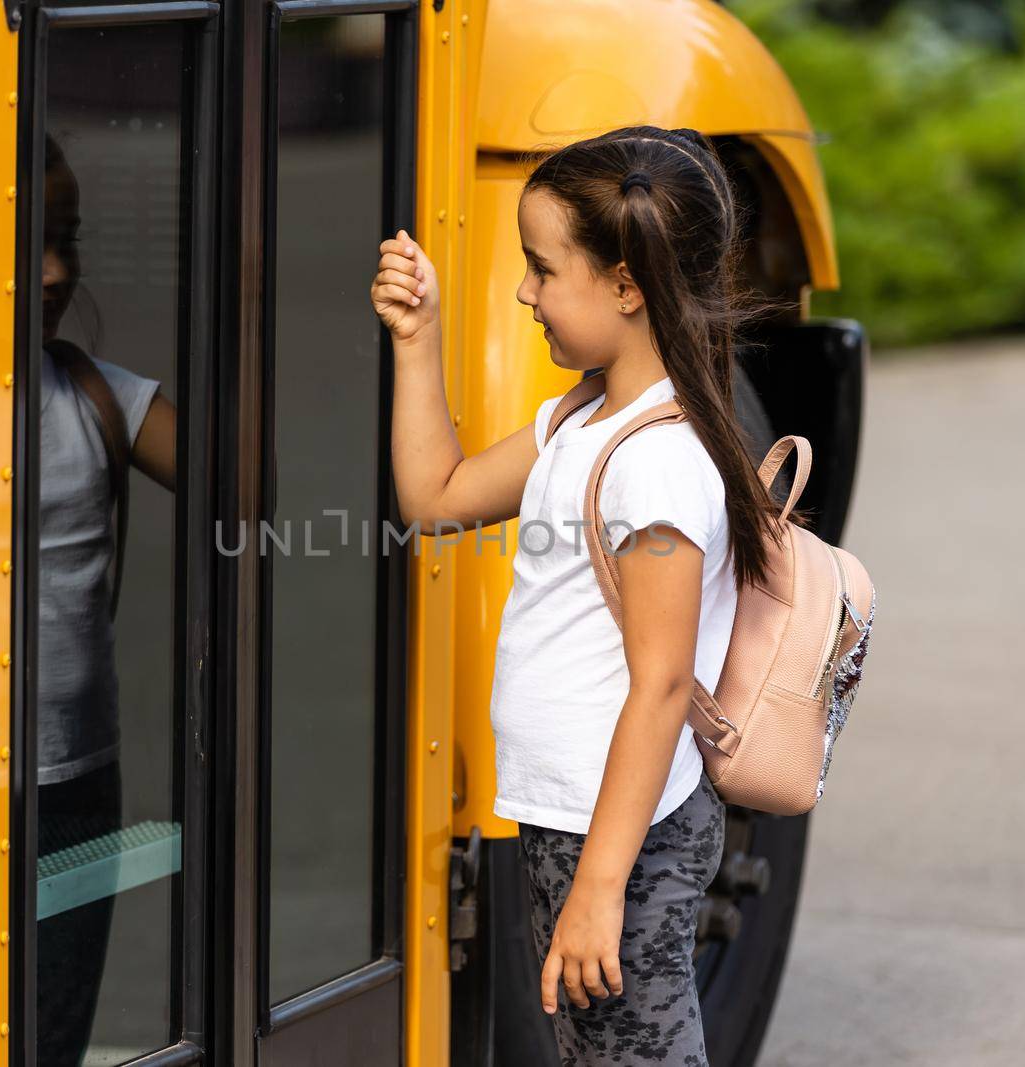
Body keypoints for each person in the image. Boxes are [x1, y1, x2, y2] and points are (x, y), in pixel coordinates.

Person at [370, 126, 784, 1065]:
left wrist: (601, 884)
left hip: (623, 839)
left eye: (542, 270)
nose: (525, 292)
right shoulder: (577, 420)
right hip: (581, 823)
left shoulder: (659, 462)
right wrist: (417, 341)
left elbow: (663, 684)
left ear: (628, 287)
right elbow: (434, 496)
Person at [35, 133, 177, 1066]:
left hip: (77, 780)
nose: (53, 269)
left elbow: (248, 489)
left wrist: (241, 283)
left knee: (52, 1029)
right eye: (26, 240)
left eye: (69, 237)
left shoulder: (90, 393)